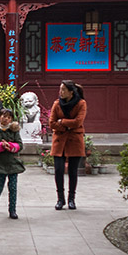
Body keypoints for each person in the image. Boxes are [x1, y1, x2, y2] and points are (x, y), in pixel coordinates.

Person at [48, 79, 87, 210]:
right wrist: (67, 126)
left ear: (71, 92)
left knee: (73, 171)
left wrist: (62, 122)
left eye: (63, 89)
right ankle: (60, 199)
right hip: (59, 141)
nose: (61, 92)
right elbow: (51, 123)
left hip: (74, 140)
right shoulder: (57, 103)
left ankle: (71, 199)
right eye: (60, 89)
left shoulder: (81, 103)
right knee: (58, 170)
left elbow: (78, 122)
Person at [0, 108, 26, 219]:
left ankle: (12, 209)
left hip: (13, 162)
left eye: (9, 117)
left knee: (13, 187)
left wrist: (11, 146)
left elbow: (20, 145)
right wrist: (0, 145)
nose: (6, 119)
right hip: (0, 162)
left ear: (11, 119)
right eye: (4, 116)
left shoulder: (14, 130)